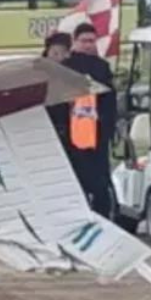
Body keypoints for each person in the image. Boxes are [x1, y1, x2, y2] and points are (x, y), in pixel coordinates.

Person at [48, 24, 117, 218]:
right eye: (84, 41)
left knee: (99, 180)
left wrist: (108, 129)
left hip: (96, 134)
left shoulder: (102, 67)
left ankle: (103, 215)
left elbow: (109, 101)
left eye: (92, 41)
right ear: (75, 42)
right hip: (69, 133)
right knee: (73, 178)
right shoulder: (65, 66)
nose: (88, 45)